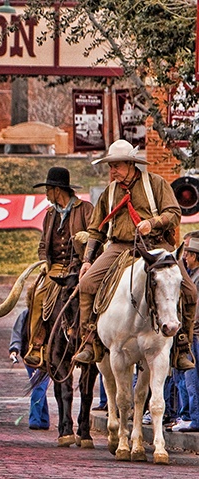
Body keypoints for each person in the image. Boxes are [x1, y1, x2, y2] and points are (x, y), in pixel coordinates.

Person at [73, 139, 196, 370]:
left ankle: (181, 345)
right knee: (87, 284)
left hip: (156, 247)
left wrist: (152, 222)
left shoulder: (155, 184)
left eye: (116, 166)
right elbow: (95, 230)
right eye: (110, 166)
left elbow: (174, 213)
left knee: (189, 290)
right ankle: (89, 341)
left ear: (131, 165)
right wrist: (87, 260)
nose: (112, 171)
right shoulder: (109, 193)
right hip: (120, 246)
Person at [23, 167, 93, 367]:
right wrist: (44, 261)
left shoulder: (85, 209)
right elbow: (43, 245)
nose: (46, 194)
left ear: (57, 190)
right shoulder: (50, 214)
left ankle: (92, 341)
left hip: (81, 266)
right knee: (37, 296)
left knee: (92, 296)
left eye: (48, 190)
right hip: (55, 268)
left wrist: (87, 241)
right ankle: (37, 345)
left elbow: (97, 235)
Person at [173, 236, 199, 431]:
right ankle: (187, 415)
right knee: (184, 378)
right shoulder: (192, 275)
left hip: (194, 333)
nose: (186, 258)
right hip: (191, 331)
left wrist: (190, 327)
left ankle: (194, 418)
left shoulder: (195, 278)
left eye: (188, 254)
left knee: (191, 379)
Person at [10, 308, 50, 430]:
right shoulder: (26, 314)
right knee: (39, 385)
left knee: (39, 385)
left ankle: (37, 419)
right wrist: (14, 349)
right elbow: (17, 332)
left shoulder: (53, 313)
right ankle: (43, 419)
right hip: (30, 356)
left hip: (48, 356)